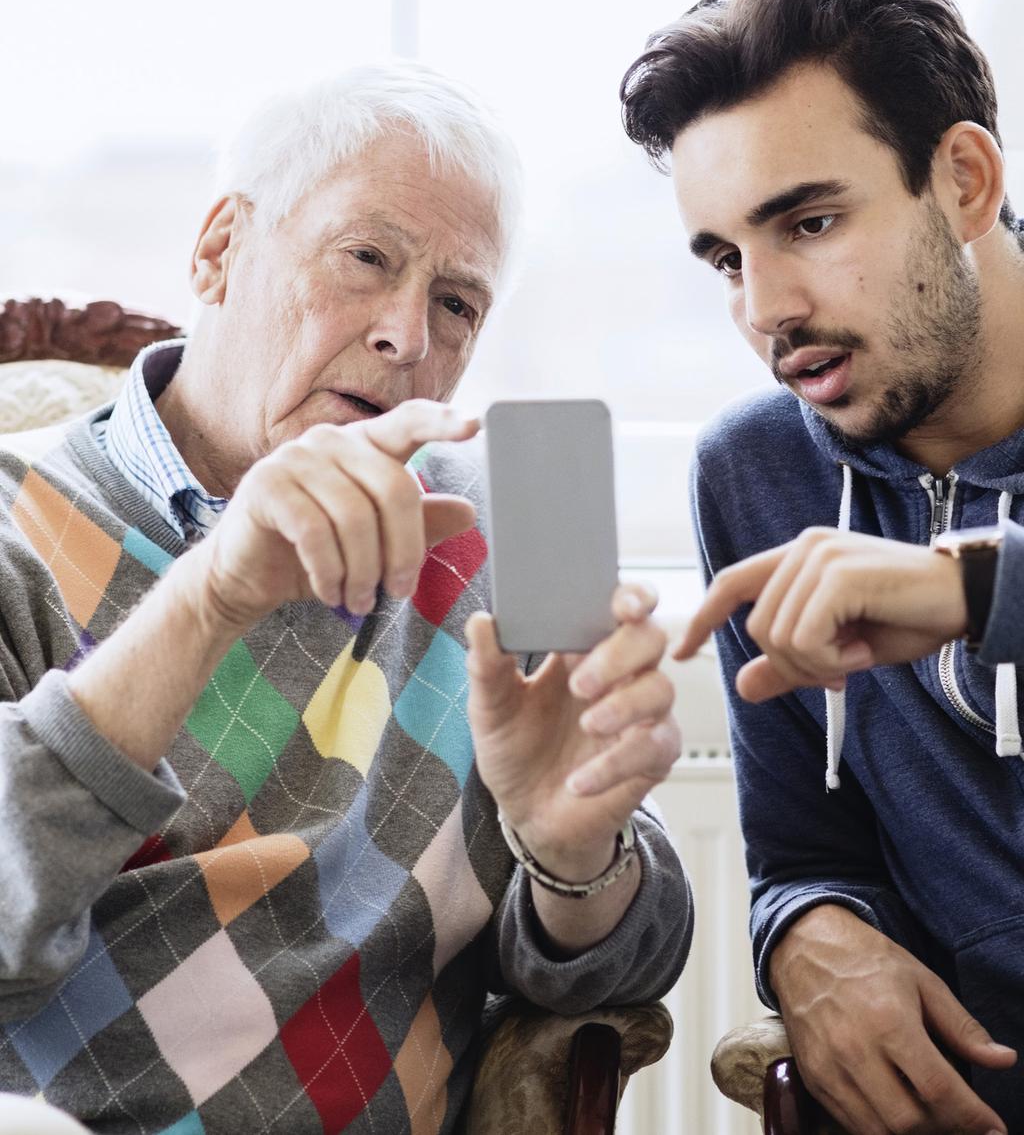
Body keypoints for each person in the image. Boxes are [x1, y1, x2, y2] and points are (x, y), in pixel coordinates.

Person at [0, 62, 691, 1134]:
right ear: (221, 247)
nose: (407, 334)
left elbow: (628, 963)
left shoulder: (491, 537)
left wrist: (572, 854)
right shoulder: (14, 528)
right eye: (366, 258)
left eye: (456, 303)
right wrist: (216, 590)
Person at [620, 0, 1024, 1135]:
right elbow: (802, 840)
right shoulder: (756, 472)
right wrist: (800, 926)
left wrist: (973, 584)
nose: (764, 308)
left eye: (807, 220)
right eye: (727, 257)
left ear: (961, 179)